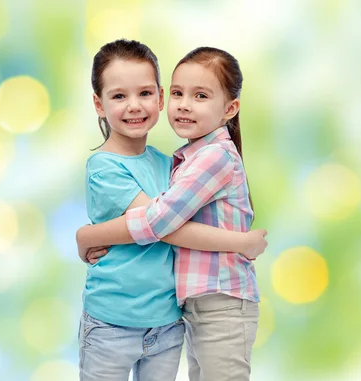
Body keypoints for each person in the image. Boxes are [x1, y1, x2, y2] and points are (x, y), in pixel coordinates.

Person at [77, 39, 267, 381]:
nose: (134, 106)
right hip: (114, 317)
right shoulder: (108, 166)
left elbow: (159, 223)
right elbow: (162, 223)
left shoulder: (175, 163)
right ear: (99, 104)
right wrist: (239, 242)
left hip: (167, 320)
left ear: (158, 97)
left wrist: (88, 235)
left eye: (145, 94)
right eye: (119, 96)